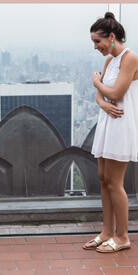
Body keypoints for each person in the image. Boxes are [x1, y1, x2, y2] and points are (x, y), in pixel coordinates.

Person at [83, 12, 138, 253]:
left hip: (121, 124)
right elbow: (103, 96)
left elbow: (115, 94)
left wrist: (97, 85)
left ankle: (123, 236)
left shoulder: (130, 58)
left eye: (98, 42)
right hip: (107, 122)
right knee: (104, 179)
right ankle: (107, 232)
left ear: (112, 37)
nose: (96, 47)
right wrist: (102, 102)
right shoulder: (110, 61)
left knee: (115, 183)